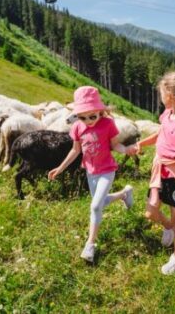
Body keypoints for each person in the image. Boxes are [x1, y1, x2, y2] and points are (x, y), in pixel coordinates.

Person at [48, 86, 135, 262]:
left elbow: (115, 145)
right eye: (82, 117)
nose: (88, 121)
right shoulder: (77, 128)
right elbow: (75, 150)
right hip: (90, 171)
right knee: (100, 203)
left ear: (100, 111)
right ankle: (124, 194)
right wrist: (60, 168)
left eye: (92, 116)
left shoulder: (108, 124)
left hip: (107, 170)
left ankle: (90, 245)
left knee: (95, 207)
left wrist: (126, 149)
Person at [131, 71, 175, 274]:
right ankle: (168, 227)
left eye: (161, 92)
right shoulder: (167, 115)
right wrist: (142, 143)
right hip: (159, 171)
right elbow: (161, 133)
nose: (160, 96)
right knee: (150, 211)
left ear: (169, 94)